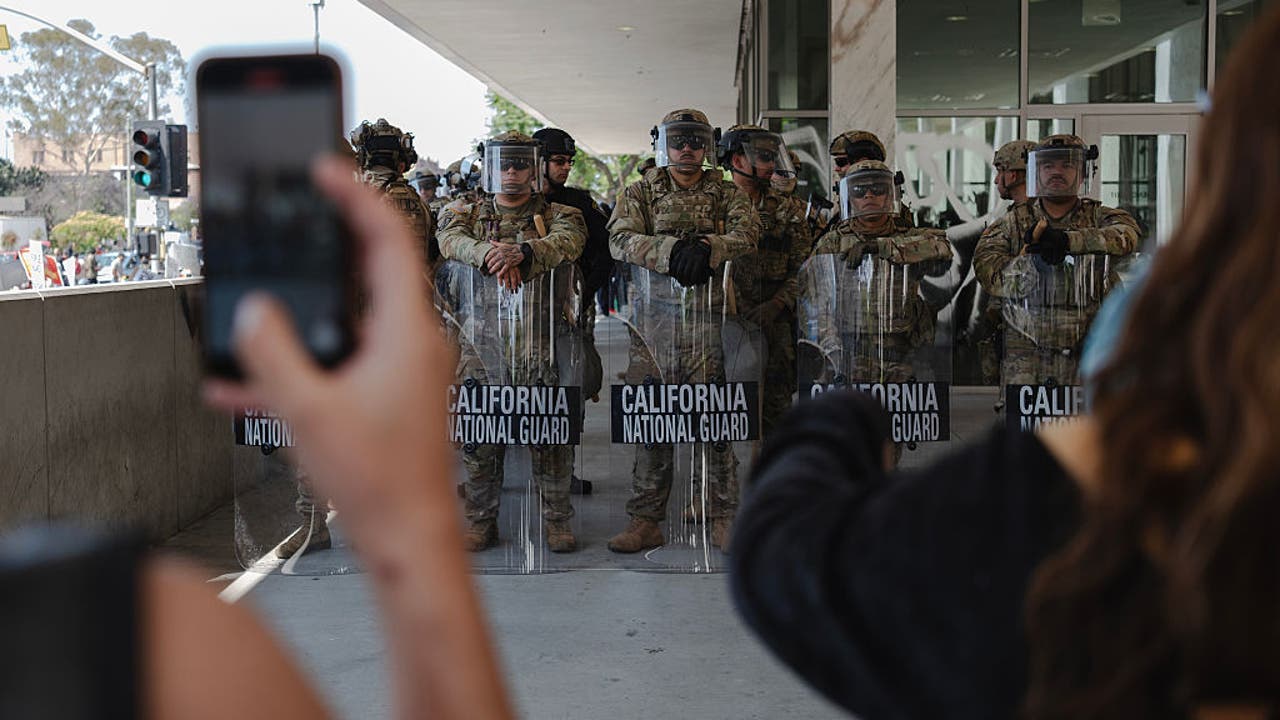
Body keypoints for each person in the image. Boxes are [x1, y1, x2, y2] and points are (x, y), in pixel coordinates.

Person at [731, 8, 1280, 718]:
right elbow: (987, 271)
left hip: (1031, 357)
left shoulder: (1145, 468)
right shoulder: (999, 226)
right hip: (1009, 348)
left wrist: (830, 427)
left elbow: (796, 571)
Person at [605, 108, 761, 553]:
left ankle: (723, 516)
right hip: (653, 327)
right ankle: (646, 520)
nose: (687, 148)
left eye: (696, 140)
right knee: (653, 423)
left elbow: (748, 234)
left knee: (714, 421)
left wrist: (709, 246)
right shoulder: (641, 190)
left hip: (711, 323)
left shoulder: (725, 192)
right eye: (679, 140)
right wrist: (674, 250)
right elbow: (619, 239)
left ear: (708, 146)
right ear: (663, 144)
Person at [436, 130, 587, 552]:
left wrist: (525, 252)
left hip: (539, 342)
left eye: (520, 163)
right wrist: (490, 254)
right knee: (481, 438)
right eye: (503, 163)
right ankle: (481, 522)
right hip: (482, 345)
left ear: (535, 167)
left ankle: (557, 521)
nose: (512, 171)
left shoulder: (560, 212)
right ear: (489, 166)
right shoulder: (464, 210)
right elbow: (448, 239)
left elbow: (570, 241)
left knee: (549, 436)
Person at [802, 159, 951, 465]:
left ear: (890, 195)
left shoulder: (907, 234)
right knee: (846, 436)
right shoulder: (833, 240)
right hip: (847, 350)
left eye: (877, 189)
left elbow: (941, 249)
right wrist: (831, 350)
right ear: (849, 197)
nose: (869, 196)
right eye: (860, 190)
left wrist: (882, 248)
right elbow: (814, 299)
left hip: (898, 351)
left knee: (888, 436)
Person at [972, 135, 1140, 397]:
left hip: (1088, 351)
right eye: (1049, 166)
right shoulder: (1012, 224)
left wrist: (1068, 241)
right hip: (1027, 354)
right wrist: (1029, 259)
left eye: (1067, 165)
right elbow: (988, 272)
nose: (1057, 173)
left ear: (1082, 173)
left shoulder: (1102, 217)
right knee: (1025, 436)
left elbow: (1127, 237)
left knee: (1084, 435)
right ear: (1036, 173)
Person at [718, 124, 813, 439]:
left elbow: (805, 267)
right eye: (763, 156)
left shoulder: (789, 211)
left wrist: (777, 303)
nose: (771, 164)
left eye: (774, 156)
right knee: (722, 416)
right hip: (722, 325)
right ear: (736, 159)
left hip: (775, 325)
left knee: (777, 417)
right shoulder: (712, 205)